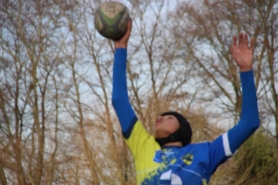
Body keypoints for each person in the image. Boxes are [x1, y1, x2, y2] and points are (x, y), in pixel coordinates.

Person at [112, 20, 260, 185]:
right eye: (160, 117)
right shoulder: (143, 146)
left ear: (182, 129)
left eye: (169, 118)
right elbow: (119, 100)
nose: (160, 118)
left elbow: (249, 122)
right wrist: (120, 46)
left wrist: (246, 71)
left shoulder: (206, 152)